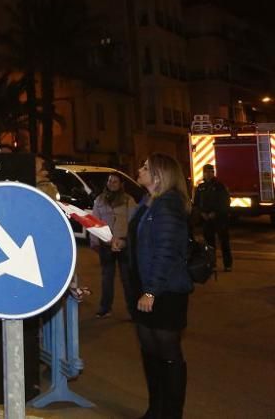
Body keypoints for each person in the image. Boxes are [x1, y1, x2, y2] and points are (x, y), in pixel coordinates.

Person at [132, 153, 193, 419]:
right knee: (150, 351)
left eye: (145, 167)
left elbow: (166, 251)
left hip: (165, 292)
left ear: (158, 175)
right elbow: (144, 242)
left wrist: (151, 291)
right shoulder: (149, 202)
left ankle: (171, 412)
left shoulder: (167, 205)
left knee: (168, 353)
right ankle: (156, 408)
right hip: (148, 288)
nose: (139, 169)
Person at [91, 173, 137, 318]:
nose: (112, 183)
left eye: (115, 181)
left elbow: (133, 223)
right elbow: (94, 222)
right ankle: (105, 308)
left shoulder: (128, 200)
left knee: (127, 279)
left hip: (124, 244)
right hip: (106, 244)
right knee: (106, 278)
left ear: (121, 184)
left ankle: (133, 310)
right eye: (110, 181)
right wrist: (95, 242)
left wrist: (127, 241)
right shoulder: (99, 200)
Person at [194, 163, 232, 272]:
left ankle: (227, 264)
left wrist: (215, 213)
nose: (209, 174)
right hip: (206, 220)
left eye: (211, 172)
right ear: (203, 173)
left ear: (213, 173)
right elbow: (196, 203)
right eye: (206, 172)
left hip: (220, 219)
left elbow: (225, 202)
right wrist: (202, 213)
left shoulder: (220, 186)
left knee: (224, 242)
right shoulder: (201, 187)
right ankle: (212, 264)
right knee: (209, 245)